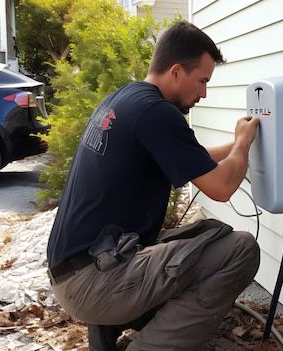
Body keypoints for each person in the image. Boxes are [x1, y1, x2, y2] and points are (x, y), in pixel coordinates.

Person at [46, 21, 261, 351]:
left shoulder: (129, 99)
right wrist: (244, 145)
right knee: (240, 249)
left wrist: (235, 146)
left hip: (78, 269)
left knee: (200, 234)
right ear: (176, 72)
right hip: (93, 282)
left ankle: (110, 330)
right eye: (202, 80)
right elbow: (222, 187)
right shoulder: (156, 113)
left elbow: (194, 158)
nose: (204, 93)